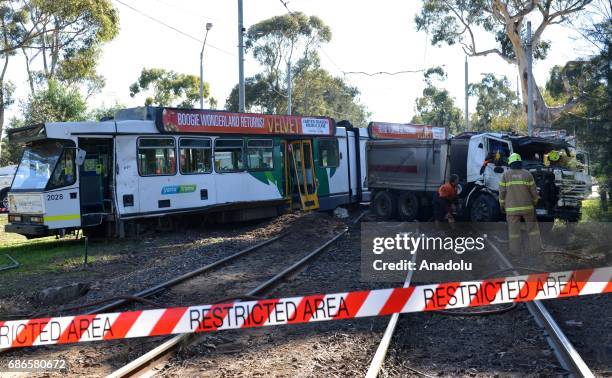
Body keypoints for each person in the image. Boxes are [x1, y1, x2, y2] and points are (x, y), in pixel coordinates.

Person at [499, 153, 541, 254]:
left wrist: (502, 205)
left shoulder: (505, 175)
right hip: (528, 208)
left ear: (510, 163)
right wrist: (535, 202)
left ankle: (515, 252)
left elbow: (502, 192)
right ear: (520, 162)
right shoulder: (528, 174)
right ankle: (536, 250)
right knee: (533, 230)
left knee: (514, 232)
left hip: (511, 209)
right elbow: (534, 192)